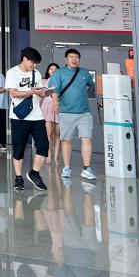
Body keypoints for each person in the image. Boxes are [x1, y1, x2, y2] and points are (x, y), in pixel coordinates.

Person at [6, 48, 51, 192]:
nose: (35, 65)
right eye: (33, 62)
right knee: (19, 148)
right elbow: (13, 93)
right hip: (19, 117)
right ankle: (18, 178)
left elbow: (38, 94)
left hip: (37, 116)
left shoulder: (36, 73)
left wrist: (45, 93)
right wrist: (31, 91)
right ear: (24, 59)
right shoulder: (12, 73)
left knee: (43, 146)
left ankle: (34, 173)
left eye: (36, 63)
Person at [50, 49, 97, 181]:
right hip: (66, 112)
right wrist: (55, 103)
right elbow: (54, 90)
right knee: (67, 140)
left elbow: (91, 85)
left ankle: (86, 169)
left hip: (84, 113)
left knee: (87, 139)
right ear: (66, 59)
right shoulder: (59, 73)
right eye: (71, 57)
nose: (74, 59)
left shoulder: (84, 73)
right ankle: (67, 167)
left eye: (77, 57)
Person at [41, 62, 62, 170]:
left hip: (58, 107)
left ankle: (56, 158)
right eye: (51, 69)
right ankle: (49, 155)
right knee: (48, 134)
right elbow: (40, 95)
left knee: (58, 135)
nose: (53, 71)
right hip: (47, 107)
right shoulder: (43, 81)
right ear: (48, 71)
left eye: (55, 69)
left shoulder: (61, 81)